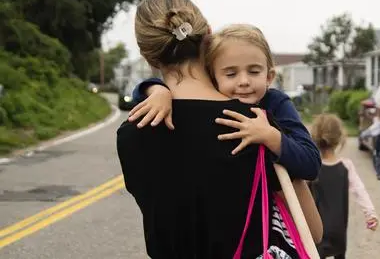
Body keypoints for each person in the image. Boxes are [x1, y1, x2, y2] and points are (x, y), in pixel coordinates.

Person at [116, 0, 311, 258]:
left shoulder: (132, 133)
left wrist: (156, 90)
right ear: (208, 35)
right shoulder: (252, 123)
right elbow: (311, 230)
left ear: (148, 56)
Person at [126, 24, 320, 181]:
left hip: (268, 211)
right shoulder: (211, 99)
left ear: (269, 77)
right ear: (213, 77)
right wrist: (158, 91)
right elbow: (138, 94)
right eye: (231, 73)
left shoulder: (275, 103)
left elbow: (311, 163)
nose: (244, 81)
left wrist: (269, 135)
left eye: (254, 71)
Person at [309, 114, 378, 259]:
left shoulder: (310, 168)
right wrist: (370, 214)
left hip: (315, 231)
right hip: (339, 230)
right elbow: (360, 191)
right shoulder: (346, 166)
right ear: (340, 138)